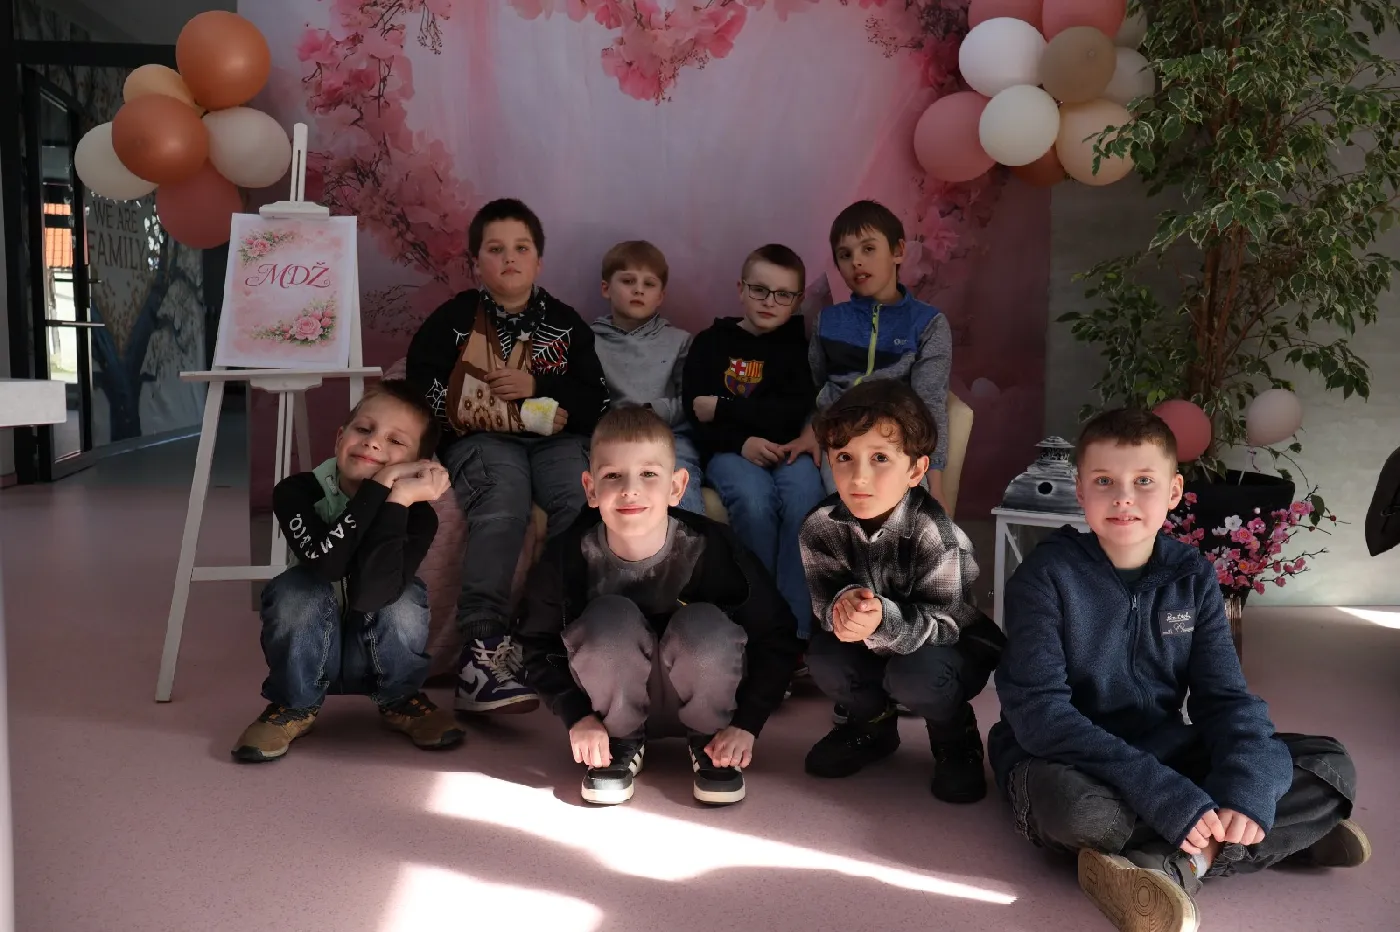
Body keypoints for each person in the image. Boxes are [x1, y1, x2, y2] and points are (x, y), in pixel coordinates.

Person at [989, 408, 1368, 932]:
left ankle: (1181, 861)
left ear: (1173, 492)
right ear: (1081, 491)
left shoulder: (1191, 575)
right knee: (1080, 811)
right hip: (1063, 756)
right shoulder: (1044, 577)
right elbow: (1040, 716)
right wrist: (1164, 794)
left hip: (1162, 745)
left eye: (1144, 481)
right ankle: (1274, 837)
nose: (1123, 498)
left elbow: (1225, 699)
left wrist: (1248, 791)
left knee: (1330, 766)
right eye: (1104, 481)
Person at [516, 406, 801, 806]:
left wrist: (746, 724)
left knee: (703, 623)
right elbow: (536, 645)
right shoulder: (567, 557)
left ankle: (708, 744)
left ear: (677, 486)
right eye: (612, 476)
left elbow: (776, 636)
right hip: (611, 708)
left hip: (709, 700)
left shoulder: (714, 547)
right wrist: (577, 716)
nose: (630, 490)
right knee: (608, 618)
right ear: (590, 488)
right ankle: (621, 744)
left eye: (649, 474)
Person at [407, 198, 609, 715]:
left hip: (557, 443)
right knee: (503, 501)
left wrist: (537, 388)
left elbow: (594, 399)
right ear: (477, 261)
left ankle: (560, 633)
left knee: (580, 502)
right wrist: (479, 411)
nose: (510, 258)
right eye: (495, 249)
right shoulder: (453, 320)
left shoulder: (565, 324)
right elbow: (421, 384)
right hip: (483, 442)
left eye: (521, 248)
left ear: (539, 261)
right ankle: (482, 649)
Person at [232, 380, 464, 762]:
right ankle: (293, 704)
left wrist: (398, 499)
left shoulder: (418, 516)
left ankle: (399, 698)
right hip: (309, 652)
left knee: (405, 596)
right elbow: (328, 565)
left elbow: (373, 595)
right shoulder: (296, 492)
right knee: (295, 587)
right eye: (364, 429)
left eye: (395, 441)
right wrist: (380, 484)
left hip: (371, 654)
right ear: (340, 438)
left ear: (418, 464)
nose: (373, 443)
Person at [798, 379, 1003, 803]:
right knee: (824, 655)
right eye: (844, 457)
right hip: (870, 644)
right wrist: (842, 609)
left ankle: (954, 735)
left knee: (916, 676)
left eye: (880, 458)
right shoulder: (819, 526)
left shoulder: (938, 536)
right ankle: (871, 726)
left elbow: (946, 625)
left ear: (915, 470)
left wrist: (883, 620)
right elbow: (823, 602)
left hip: (946, 650)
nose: (859, 476)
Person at [682, 244, 825, 640]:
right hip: (730, 450)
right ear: (741, 289)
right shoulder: (711, 342)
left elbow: (792, 413)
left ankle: (793, 632)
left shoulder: (799, 348)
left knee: (805, 499)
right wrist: (741, 439)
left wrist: (724, 407)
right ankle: (756, 621)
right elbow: (695, 412)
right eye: (759, 290)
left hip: (790, 448)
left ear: (797, 300)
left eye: (783, 295)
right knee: (754, 500)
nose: (769, 302)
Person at [783, 200, 953, 509]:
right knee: (851, 509)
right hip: (839, 438)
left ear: (898, 251)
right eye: (845, 255)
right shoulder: (828, 321)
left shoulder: (927, 323)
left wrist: (937, 484)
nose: (857, 262)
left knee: (909, 517)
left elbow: (930, 404)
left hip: (896, 443)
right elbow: (815, 390)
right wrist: (812, 430)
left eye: (868, 249)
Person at [591, 240, 705, 515]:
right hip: (611, 437)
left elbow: (690, 401)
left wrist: (655, 411)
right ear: (606, 288)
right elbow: (584, 399)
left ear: (661, 296)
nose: (638, 289)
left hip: (668, 435)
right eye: (628, 281)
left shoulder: (680, 341)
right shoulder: (589, 341)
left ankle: (691, 540)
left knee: (681, 483)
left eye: (649, 284)